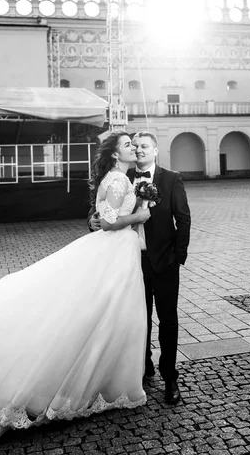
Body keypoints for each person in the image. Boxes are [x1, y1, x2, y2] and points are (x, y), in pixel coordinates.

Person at [0, 131, 150, 447]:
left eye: (134, 145)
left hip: (116, 250)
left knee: (105, 315)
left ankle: (105, 379)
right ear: (114, 154)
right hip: (116, 250)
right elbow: (107, 222)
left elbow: (101, 216)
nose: (133, 149)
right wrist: (142, 215)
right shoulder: (119, 180)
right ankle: (99, 383)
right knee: (108, 316)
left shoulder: (116, 178)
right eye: (127, 145)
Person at [89, 131, 191, 405]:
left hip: (165, 261)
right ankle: (143, 368)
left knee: (168, 320)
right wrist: (93, 222)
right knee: (138, 319)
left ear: (156, 150)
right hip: (132, 260)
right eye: (135, 146)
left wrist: (178, 257)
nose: (139, 150)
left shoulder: (171, 179)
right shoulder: (123, 177)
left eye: (145, 146)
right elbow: (104, 211)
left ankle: (169, 375)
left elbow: (183, 219)